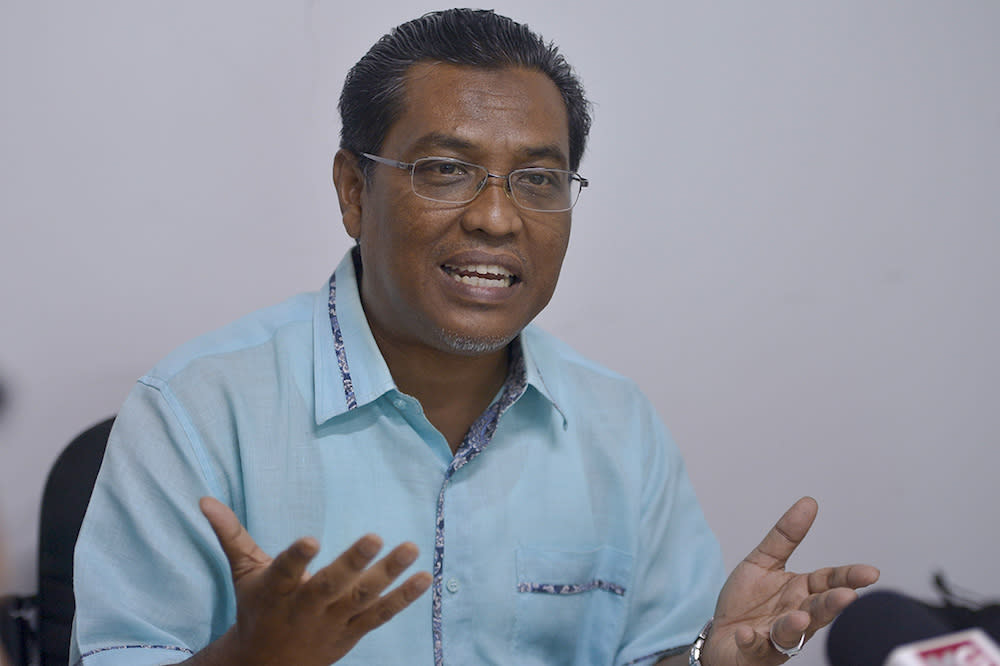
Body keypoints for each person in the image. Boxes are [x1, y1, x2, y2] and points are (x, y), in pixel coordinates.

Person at [70, 9, 878, 666]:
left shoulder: (617, 426)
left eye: (538, 180)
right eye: (445, 170)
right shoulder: (197, 410)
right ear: (354, 191)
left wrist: (705, 662)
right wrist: (253, 661)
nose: (497, 217)